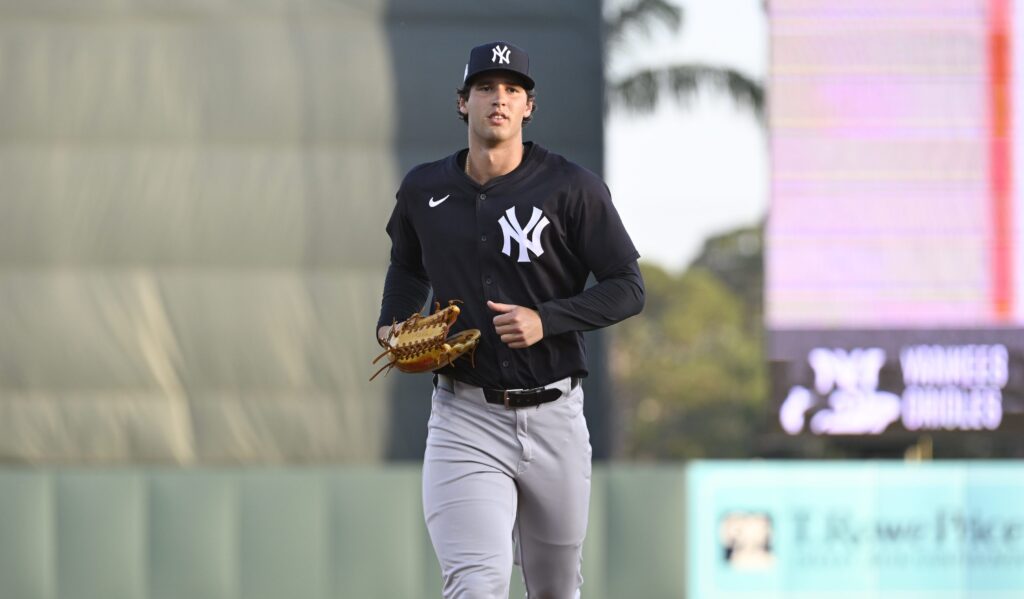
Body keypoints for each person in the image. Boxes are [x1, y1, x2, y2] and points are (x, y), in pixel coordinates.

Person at [376, 40, 644, 598]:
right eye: (485, 88)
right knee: (476, 584)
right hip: (463, 417)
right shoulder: (424, 188)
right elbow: (406, 265)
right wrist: (394, 321)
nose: (499, 98)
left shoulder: (572, 188)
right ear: (462, 103)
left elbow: (628, 287)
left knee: (555, 589)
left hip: (555, 416)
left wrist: (548, 319)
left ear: (528, 107)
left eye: (512, 89)